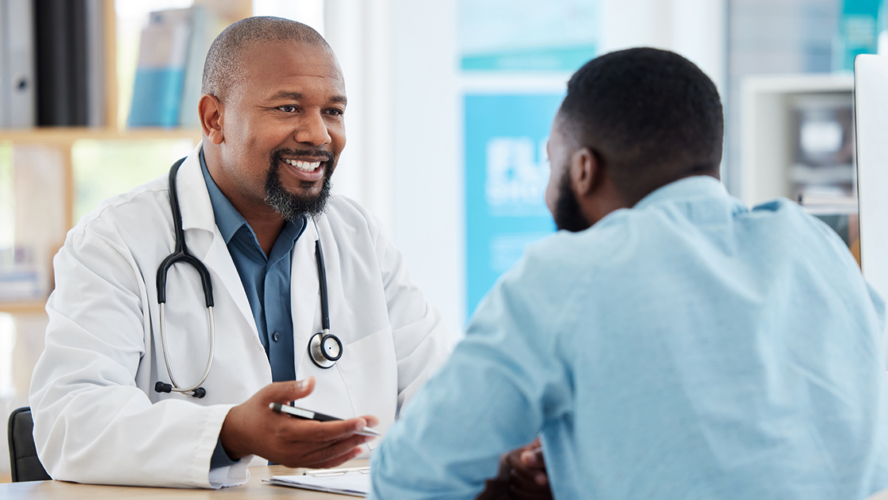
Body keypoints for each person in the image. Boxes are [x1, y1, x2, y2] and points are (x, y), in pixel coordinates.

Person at [370, 48, 888, 499]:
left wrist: (503, 470)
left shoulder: (565, 276)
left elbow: (410, 480)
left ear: (583, 169)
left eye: (550, 162)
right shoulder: (813, 243)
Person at [28, 17, 456, 488]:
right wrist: (228, 434)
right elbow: (69, 422)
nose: (318, 134)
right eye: (289, 108)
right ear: (215, 119)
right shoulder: (114, 240)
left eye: (333, 111)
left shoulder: (359, 238)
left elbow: (442, 393)